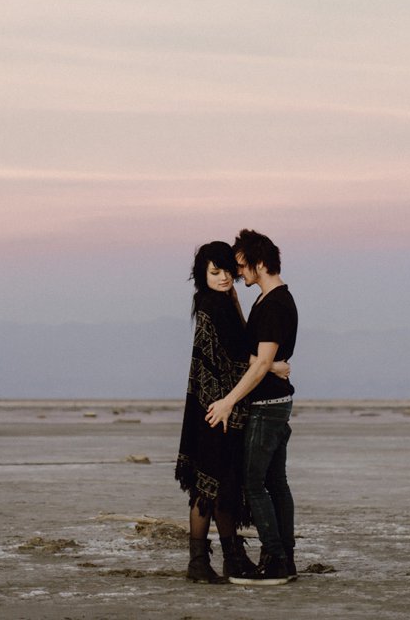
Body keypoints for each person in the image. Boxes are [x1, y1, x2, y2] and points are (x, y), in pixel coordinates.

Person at [174, 241, 290, 583]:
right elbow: (238, 357)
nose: (224, 277)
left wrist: (237, 304)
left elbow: (237, 347)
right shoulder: (213, 306)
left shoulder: (218, 303)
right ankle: (203, 563)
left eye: (228, 271)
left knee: (218, 485)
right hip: (219, 408)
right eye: (215, 272)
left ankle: (228, 560)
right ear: (202, 275)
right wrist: (274, 367)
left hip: (214, 406)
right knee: (210, 486)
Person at [205, 228, 299, 586]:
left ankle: (275, 560)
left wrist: (228, 401)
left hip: (267, 406)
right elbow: (261, 357)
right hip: (277, 402)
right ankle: (285, 558)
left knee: (254, 482)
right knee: (276, 482)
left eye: (242, 266)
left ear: (260, 263)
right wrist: (271, 364)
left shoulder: (275, 304)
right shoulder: (267, 299)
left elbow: (259, 364)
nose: (237, 272)